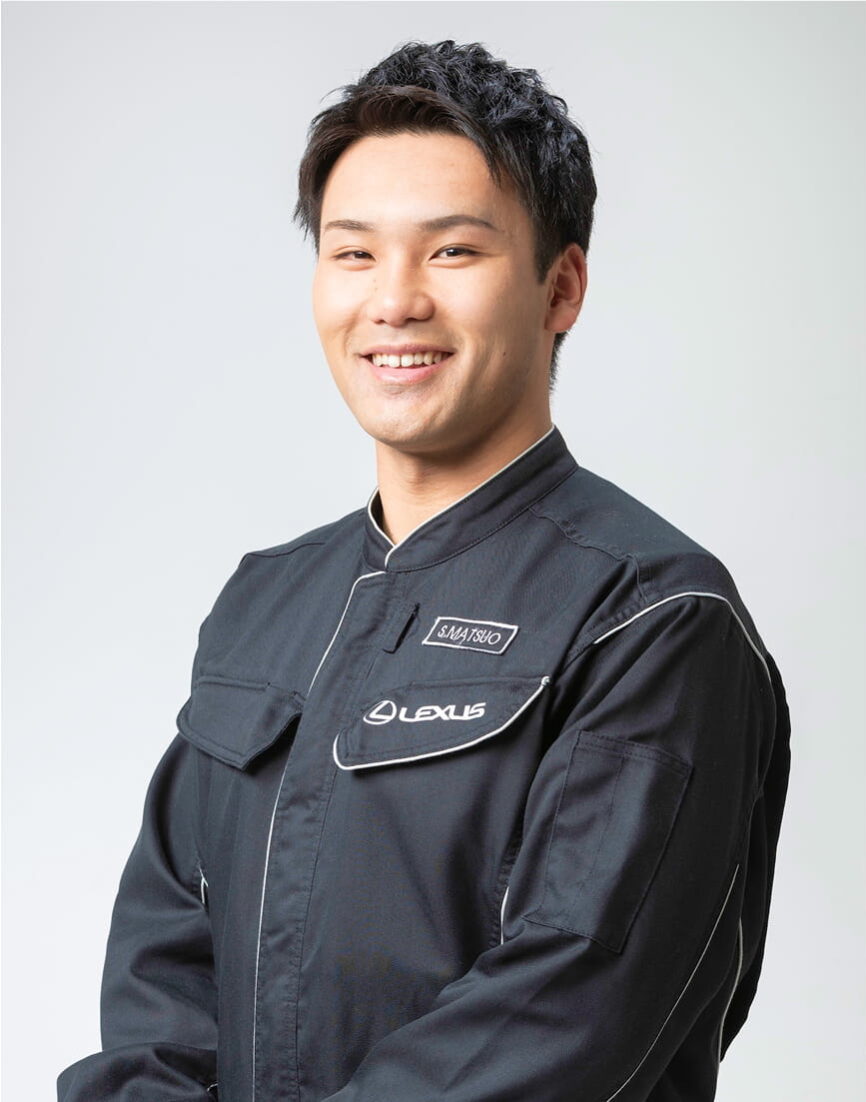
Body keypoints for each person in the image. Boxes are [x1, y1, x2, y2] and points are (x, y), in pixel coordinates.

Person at [57, 39, 790, 1102]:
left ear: (561, 287)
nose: (393, 301)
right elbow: (159, 973)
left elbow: (567, 1013)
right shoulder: (264, 604)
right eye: (353, 253)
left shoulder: (651, 617)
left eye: (451, 251)